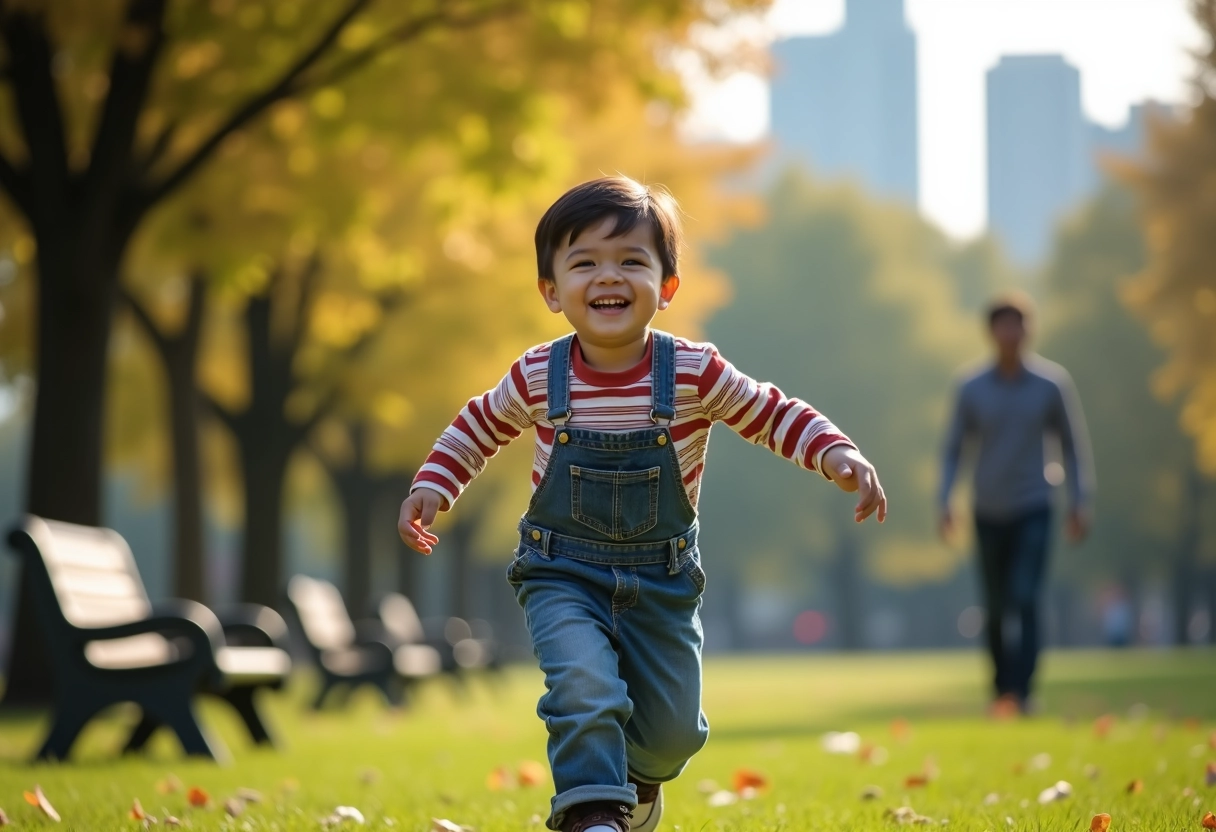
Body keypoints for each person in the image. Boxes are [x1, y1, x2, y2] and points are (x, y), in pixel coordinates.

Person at [398, 176, 886, 832]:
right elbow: (478, 425)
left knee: (675, 733)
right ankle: (592, 812)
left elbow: (769, 411)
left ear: (668, 285)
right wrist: (434, 483)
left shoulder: (692, 373)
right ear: (550, 290)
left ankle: (640, 780)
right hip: (562, 573)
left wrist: (835, 453)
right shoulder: (539, 375)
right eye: (585, 263)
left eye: (632, 261)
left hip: (662, 579)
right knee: (583, 687)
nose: (610, 277)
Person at [938, 292, 1094, 716]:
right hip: (988, 507)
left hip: (1034, 503)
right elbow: (953, 449)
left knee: (1024, 596)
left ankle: (1023, 691)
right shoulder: (970, 387)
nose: (1011, 333)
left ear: (1029, 330)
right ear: (990, 332)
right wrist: (945, 499)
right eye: (1003, 324)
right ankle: (1000, 690)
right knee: (993, 604)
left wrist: (1081, 499)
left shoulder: (1051, 384)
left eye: (1018, 324)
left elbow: (1073, 446)